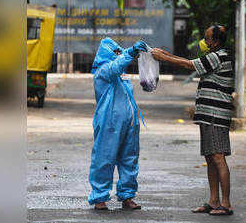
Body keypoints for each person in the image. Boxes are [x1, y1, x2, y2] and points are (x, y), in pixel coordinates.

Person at [151, 25, 234, 216]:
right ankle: (214, 201)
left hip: (216, 115)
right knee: (210, 158)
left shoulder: (218, 56)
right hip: (208, 116)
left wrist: (164, 58)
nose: (203, 42)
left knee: (218, 158)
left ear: (215, 41)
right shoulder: (214, 56)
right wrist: (164, 54)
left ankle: (226, 203)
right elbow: (191, 62)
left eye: (206, 38)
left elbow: (189, 65)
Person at [88, 37, 147, 210]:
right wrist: (129, 53)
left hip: (129, 124)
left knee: (130, 159)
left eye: (119, 52)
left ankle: (127, 196)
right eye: (116, 52)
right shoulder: (103, 72)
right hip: (109, 124)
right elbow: (115, 67)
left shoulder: (121, 75)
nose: (119, 55)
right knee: (104, 159)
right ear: (106, 53)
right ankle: (99, 198)